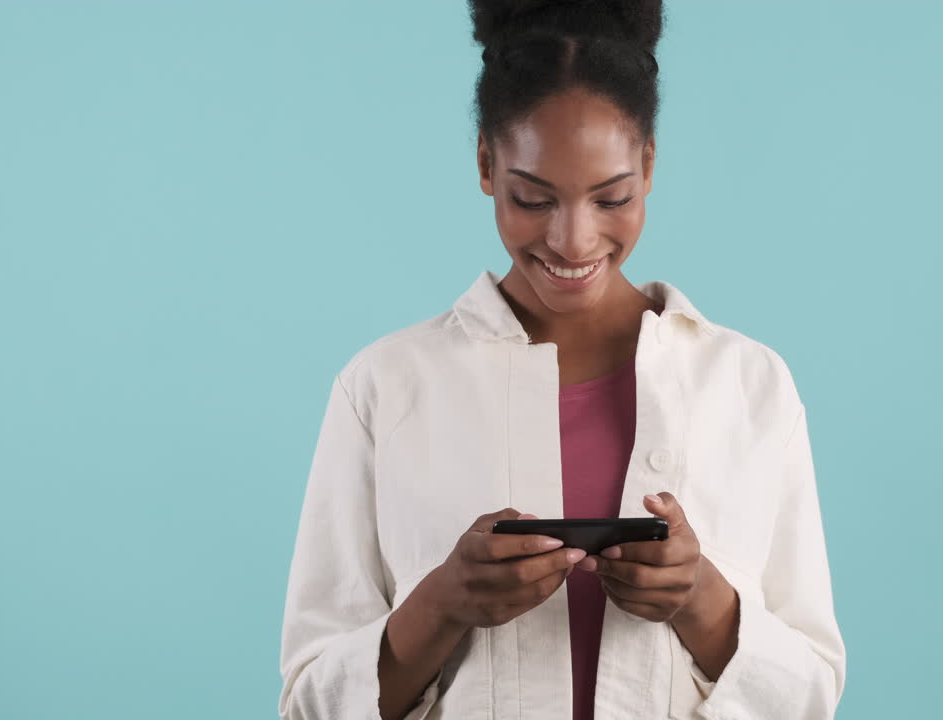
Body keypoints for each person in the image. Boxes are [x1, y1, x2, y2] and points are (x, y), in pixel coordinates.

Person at [278, 2, 846, 718]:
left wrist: (703, 600)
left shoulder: (750, 387)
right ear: (486, 164)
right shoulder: (383, 389)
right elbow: (309, 702)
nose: (573, 241)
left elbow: (812, 692)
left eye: (612, 198)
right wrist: (441, 603)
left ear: (649, 164)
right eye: (532, 198)